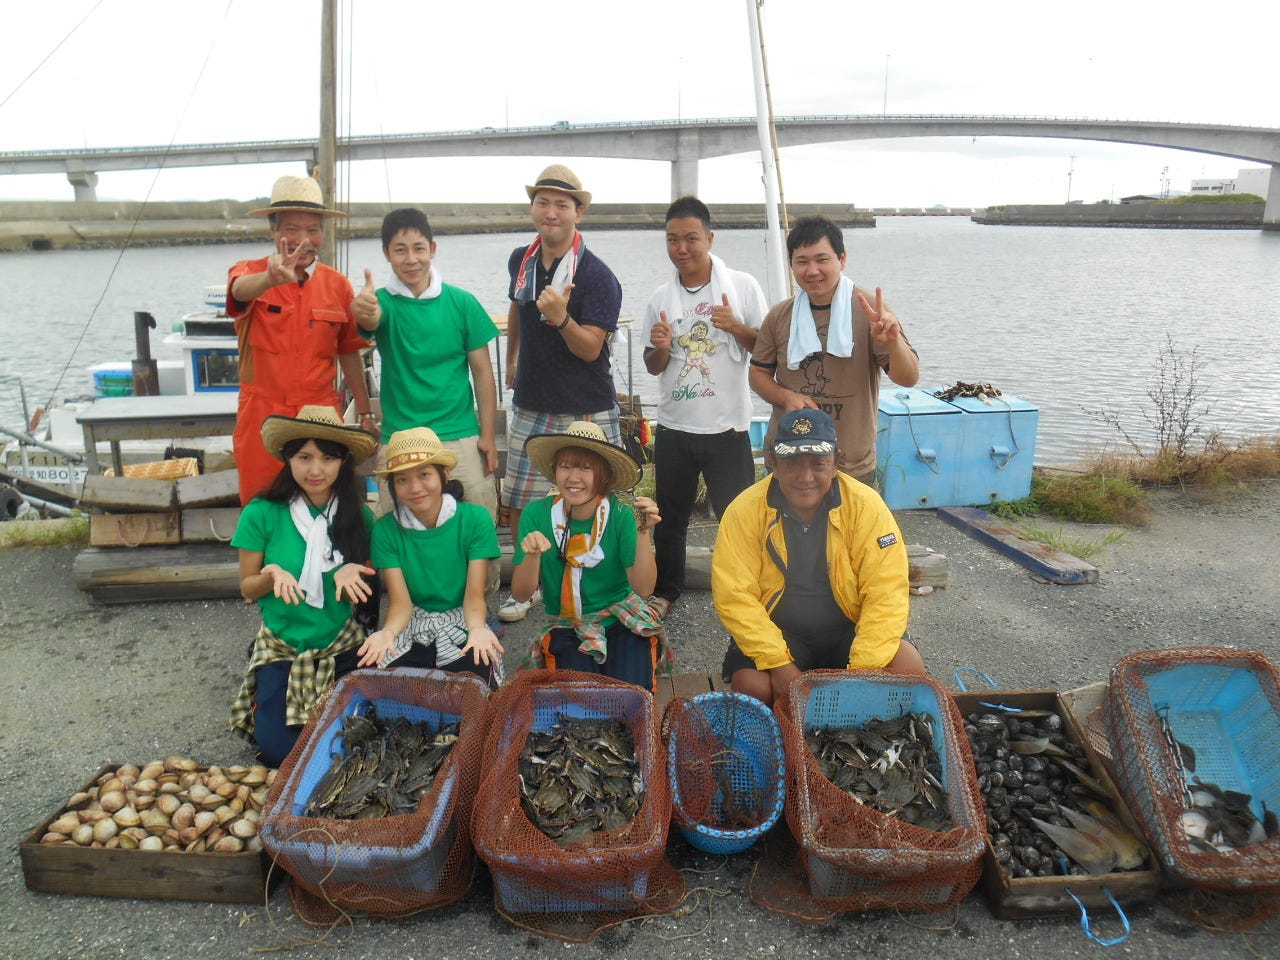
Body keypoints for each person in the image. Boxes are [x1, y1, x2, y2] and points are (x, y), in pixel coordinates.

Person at [712, 409, 926, 707]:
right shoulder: (744, 510)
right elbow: (735, 596)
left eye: (818, 463)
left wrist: (861, 673)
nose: (806, 477)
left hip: (850, 627)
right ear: (773, 462)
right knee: (753, 688)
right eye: (791, 463)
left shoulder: (866, 506)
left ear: (837, 462)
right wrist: (779, 664)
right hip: (779, 631)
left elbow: (886, 592)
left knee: (908, 669)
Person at [498, 164, 623, 623]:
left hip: (586, 404)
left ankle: (603, 584)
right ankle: (528, 586)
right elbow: (517, 307)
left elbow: (590, 349)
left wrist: (561, 318)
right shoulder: (522, 259)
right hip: (532, 399)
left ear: (578, 212)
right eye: (543, 202)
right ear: (533, 208)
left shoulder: (598, 276)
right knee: (519, 501)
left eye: (562, 205)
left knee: (598, 498)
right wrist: (512, 358)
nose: (551, 212)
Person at [229, 405, 377, 766]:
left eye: (327, 458)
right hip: (284, 645)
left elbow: (372, 583)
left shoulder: (360, 516)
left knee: (356, 745)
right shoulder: (261, 512)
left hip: (343, 643)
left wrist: (352, 569)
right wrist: (270, 577)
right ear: (288, 458)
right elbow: (247, 587)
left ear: (343, 461)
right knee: (280, 753)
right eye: (304, 457)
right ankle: (264, 681)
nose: (315, 470)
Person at [641, 196, 767, 620]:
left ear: (710, 239)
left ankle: (747, 593)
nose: (682, 248)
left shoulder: (743, 287)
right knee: (670, 521)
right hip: (675, 428)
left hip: (727, 429)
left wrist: (736, 327)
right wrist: (660, 347)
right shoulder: (660, 296)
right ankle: (666, 591)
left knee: (739, 519)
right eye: (672, 239)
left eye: (691, 238)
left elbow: (765, 350)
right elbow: (653, 365)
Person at [226, 175, 376, 505]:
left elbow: (349, 352)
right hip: (262, 415)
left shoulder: (338, 285)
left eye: (313, 230)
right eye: (292, 229)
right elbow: (238, 292)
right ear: (273, 230)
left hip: (320, 414)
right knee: (261, 507)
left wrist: (365, 414)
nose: (304, 240)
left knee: (324, 504)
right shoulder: (249, 272)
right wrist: (268, 279)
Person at [350, 209, 500, 529]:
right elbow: (370, 320)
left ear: (432, 249)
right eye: (400, 250)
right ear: (386, 254)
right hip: (400, 436)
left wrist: (487, 435)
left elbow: (483, 372)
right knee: (395, 528)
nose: (411, 259)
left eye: (418, 248)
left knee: (478, 519)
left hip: (459, 433)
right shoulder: (382, 302)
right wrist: (364, 311)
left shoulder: (462, 302)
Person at [749, 215, 919, 483]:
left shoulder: (870, 311)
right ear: (791, 264)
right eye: (802, 261)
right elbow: (758, 374)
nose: (812, 270)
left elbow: (908, 378)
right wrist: (785, 397)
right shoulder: (780, 315)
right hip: (789, 460)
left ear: (842, 259)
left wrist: (893, 341)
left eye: (822, 259)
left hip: (851, 465)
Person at [508, 421, 668, 691]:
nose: (573, 477)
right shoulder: (536, 515)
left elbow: (644, 589)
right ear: (555, 470)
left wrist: (643, 532)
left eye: (586, 468)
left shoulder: (622, 514)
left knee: (632, 692)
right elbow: (522, 594)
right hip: (567, 625)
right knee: (579, 696)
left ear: (604, 475)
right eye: (565, 466)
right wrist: (532, 556)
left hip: (621, 619)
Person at [356, 427, 505, 688]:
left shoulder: (475, 519)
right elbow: (400, 603)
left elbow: (474, 597)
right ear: (393, 486)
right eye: (402, 479)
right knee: (382, 677)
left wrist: (477, 629)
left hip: (463, 616)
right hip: (414, 620)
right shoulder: (385, 529)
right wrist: (387, 633)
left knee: (479, 672)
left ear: (444, 475)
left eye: (424, 474)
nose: (415, 488)